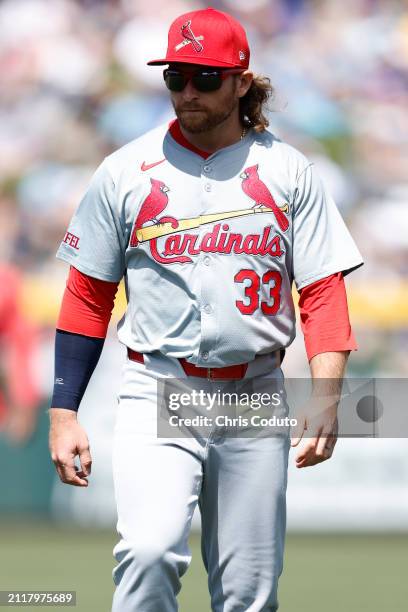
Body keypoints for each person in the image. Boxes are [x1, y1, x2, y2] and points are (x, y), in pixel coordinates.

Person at [48, 7, 363, 611]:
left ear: (242, 81)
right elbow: (87, 294)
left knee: (249, 590)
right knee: (147, 553)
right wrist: (65, 413)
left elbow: (323, 291)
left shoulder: (289, 171)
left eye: (205, 77)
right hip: (158, 383)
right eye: (175, 77)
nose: (187, 91)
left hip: (253, 388)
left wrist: (327, 395)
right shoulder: (124, 171)